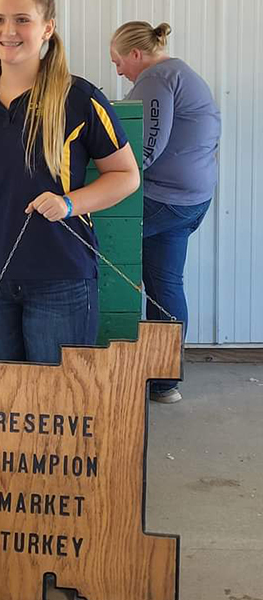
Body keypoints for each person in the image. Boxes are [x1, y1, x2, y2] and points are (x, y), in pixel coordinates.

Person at [0, 0, 140, 366]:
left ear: (47, 28)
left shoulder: (80, 97)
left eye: (22, 19)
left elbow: (126, 175)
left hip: (61, 276)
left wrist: (69, 203)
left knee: (60, 406)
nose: (8, 31)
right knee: (9, 407)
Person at [110, 21, 221, 403]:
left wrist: (111, 177)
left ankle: (102, 361)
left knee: (95, 248)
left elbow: (146, 146)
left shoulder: (158, 78)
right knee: (165, 286)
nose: (119, 71)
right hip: (191, 198)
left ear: (137, 55)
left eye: (119, 62)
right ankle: (164, 382)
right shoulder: (181, 74)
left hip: (165, 199)